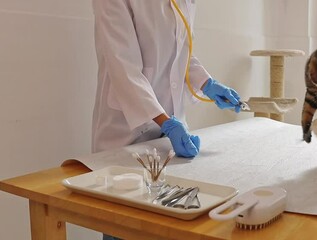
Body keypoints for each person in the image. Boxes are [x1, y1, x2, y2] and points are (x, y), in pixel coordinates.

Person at [91, 1, 241, 239]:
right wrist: (165, 122)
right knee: (124, 224)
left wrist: (207, 83)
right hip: (125, 134)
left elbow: (181, 54)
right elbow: (124, 66)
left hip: (168, 138)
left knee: (167, 226)